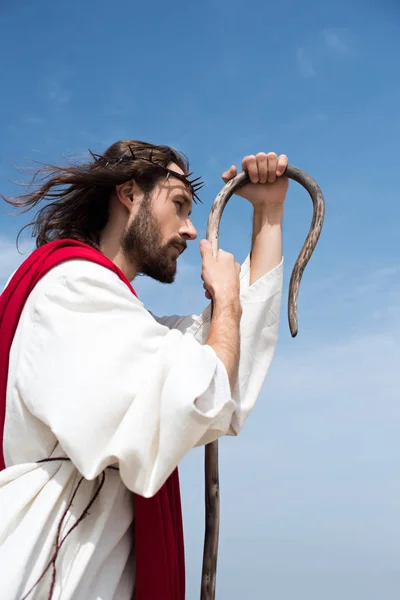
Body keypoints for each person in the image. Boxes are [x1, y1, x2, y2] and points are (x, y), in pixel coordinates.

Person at [0, 140, 288, 600]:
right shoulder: (73, 290)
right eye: (178, 205)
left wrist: (269, 215)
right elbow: (200, 394)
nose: (191, 230)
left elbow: (223, 365)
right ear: (129, 193)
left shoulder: (117, 320)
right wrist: (228, 301)